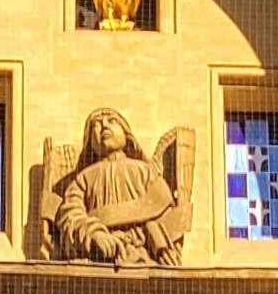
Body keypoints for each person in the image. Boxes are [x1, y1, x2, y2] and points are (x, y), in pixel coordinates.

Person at [46, 109, 186, 265]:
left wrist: (160, 245)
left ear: (126, 135)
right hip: (97, 258)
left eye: (112, 121)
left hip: (141, 257)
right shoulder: (83, 179)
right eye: (96, 125)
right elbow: (70, 215)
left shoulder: (145, 172)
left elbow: (164, 211)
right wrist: (94, 235)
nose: (104, 126)